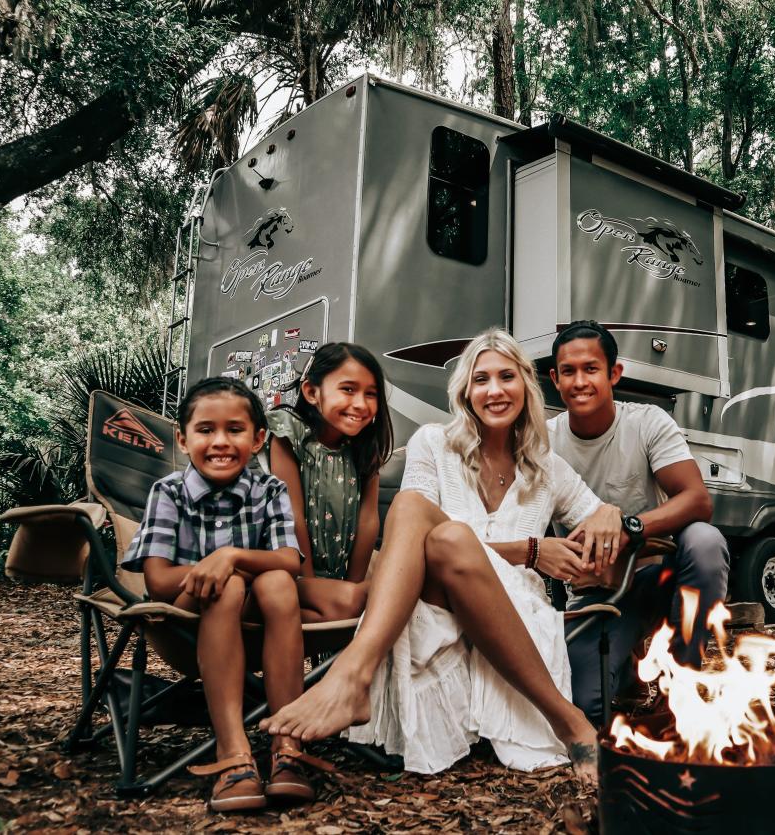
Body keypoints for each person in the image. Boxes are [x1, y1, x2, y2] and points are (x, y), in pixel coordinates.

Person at [265, 329, 610, 784]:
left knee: (448, 540)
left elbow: (597, 525)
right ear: (466, 391)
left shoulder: (547, 466)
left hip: (516, 614)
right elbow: (413, 540)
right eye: (480, 379)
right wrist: (529, 551)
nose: (494, 390)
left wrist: (611, 512)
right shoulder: (434, 443)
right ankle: (569, 722)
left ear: (526, 387)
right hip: (434, 604)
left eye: (507, 377)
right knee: (420, 515)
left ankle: (354, 674)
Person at [120, 377, 319, 812]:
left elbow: (290, 561)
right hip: (185, 628)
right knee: (227, 585)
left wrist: (230, 555)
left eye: (235, 429)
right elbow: (159, 582)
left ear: (259, 438)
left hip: (257, 624)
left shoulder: (270, 491)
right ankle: (232, 754)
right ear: (182, 438)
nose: (220, 442)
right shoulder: (168, 492)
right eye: (206, 430)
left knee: (277, 581)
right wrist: (221, 570)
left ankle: (287, 748)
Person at [547, 320, 729, 726]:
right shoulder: (543, 442)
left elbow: (697, 499)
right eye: (569, 371)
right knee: (587, 710)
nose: (580, 381)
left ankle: (678, 687)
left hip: (658, 578)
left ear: (614, 374)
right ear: (554, 379)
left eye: (591, 369)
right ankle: (627, 670)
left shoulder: (646, 422)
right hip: (596, 593)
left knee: (704, 542)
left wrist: (628, 528)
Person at [266, 343, 393, 623]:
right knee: (364, 601)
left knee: (367, 598)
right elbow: (292, 515)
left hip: (335, 582)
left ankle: (340, 605)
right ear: (311, 392)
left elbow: (368, 521)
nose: (360, 404)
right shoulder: (290, 433)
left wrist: (352, 584)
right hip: (287, 575)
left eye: (370, 394)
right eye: (348, 389)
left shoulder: (363, 447)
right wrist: (312, 585)